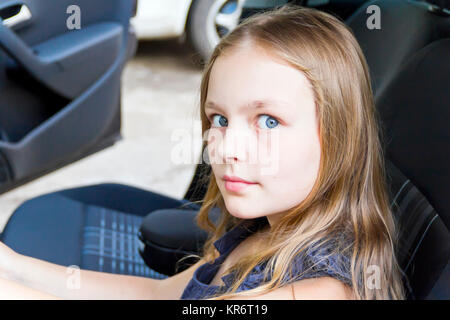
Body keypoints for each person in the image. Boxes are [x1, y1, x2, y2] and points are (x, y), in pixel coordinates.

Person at [0, 5, 405, 300]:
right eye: (219, 120)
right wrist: (13, 266)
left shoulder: (318, 291)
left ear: (338, 138)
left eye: (267, 121)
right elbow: (158, 297)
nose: (225, 147)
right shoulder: (261, 231)